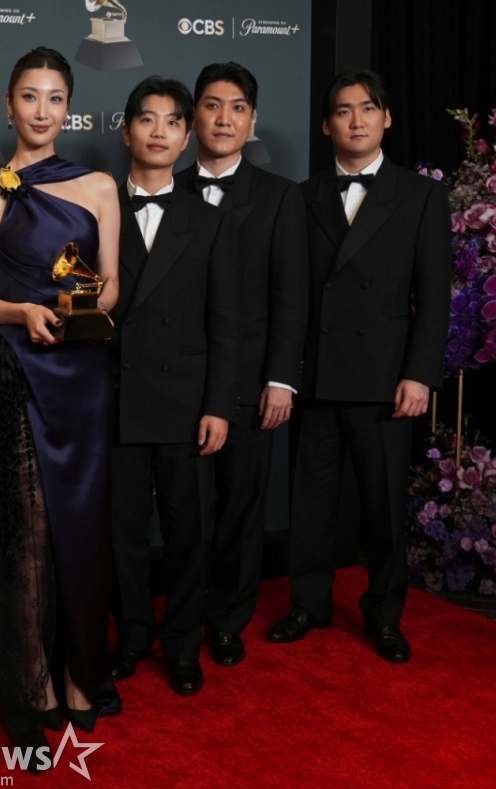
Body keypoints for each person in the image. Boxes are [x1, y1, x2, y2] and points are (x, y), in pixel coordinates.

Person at [0, 47, 120, 759]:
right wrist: (23, 311)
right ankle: (33, 688)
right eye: (30, 96)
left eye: (55, 98)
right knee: (27, 540)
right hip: (17, 374)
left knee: (82, 532)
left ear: (69, 107)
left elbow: (111, 286)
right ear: (8, 104)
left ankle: (83, 673)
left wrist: (82, 305)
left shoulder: (101, 187)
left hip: (83, 376)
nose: (43, 110)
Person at [265, 69, 450, 663]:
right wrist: (283, 376)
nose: (356, 120)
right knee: (311, 503)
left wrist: (419, 373)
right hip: (317, 376)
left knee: (382, 507)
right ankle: (309, 603)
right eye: (343, 112)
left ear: (386, 117)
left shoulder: (421, 196)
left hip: (386, 379)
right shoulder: (303, 195)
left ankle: (385, 614)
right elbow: (290, 296)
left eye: (368, 108)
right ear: (327, 126)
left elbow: (434, 296)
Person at [169, 63, 309, 668]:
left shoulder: (281, 197)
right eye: (211, 106)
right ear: (192, 116)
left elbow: (291, 295)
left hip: (253, 382)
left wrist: (281, 377)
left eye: (236, 108)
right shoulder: (162, 189)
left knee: (241, 507)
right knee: (182, 510)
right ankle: (179, 621)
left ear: (251, 120)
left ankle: (228, 618)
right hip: (178, 382)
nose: (223, 119)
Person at [107, 76, 241, 696]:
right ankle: (132, 634)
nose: (159, 132)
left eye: (171, 122)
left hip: (187, 406)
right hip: (116, 403)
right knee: (123, 533)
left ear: (187, 137)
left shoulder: (210, 222)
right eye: (147, 120)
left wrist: (218, 405)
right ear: (127, 128)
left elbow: (225, 324)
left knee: (189, 533)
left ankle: (183, 642)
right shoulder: (96, 208)